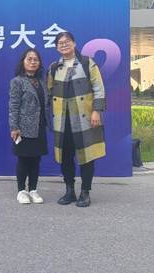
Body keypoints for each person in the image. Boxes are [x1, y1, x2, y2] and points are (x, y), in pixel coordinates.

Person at [47, 32, 106, 207]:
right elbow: (49, 92)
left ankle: (85, 192)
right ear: (56, 47)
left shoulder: (87, 63)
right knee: (66, 156)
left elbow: (99, 89)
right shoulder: (53, 68)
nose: (64, 45)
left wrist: (97, 111)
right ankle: (69, 191)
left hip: (84, 118)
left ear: (74, 43)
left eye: (67, 41)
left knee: (87, 156)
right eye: (60, 43)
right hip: (62, 120)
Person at [9, 48, 49, 204]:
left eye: (36, 59)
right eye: (29, 59)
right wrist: (14, 127)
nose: (33, 62)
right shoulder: (17, 81)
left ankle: (33, 190)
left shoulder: (42, 82)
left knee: (36, 159)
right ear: (23, 62)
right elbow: (14, 105)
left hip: (39, 126)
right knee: (24, 159)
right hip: (23, 128)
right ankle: (21, 191)